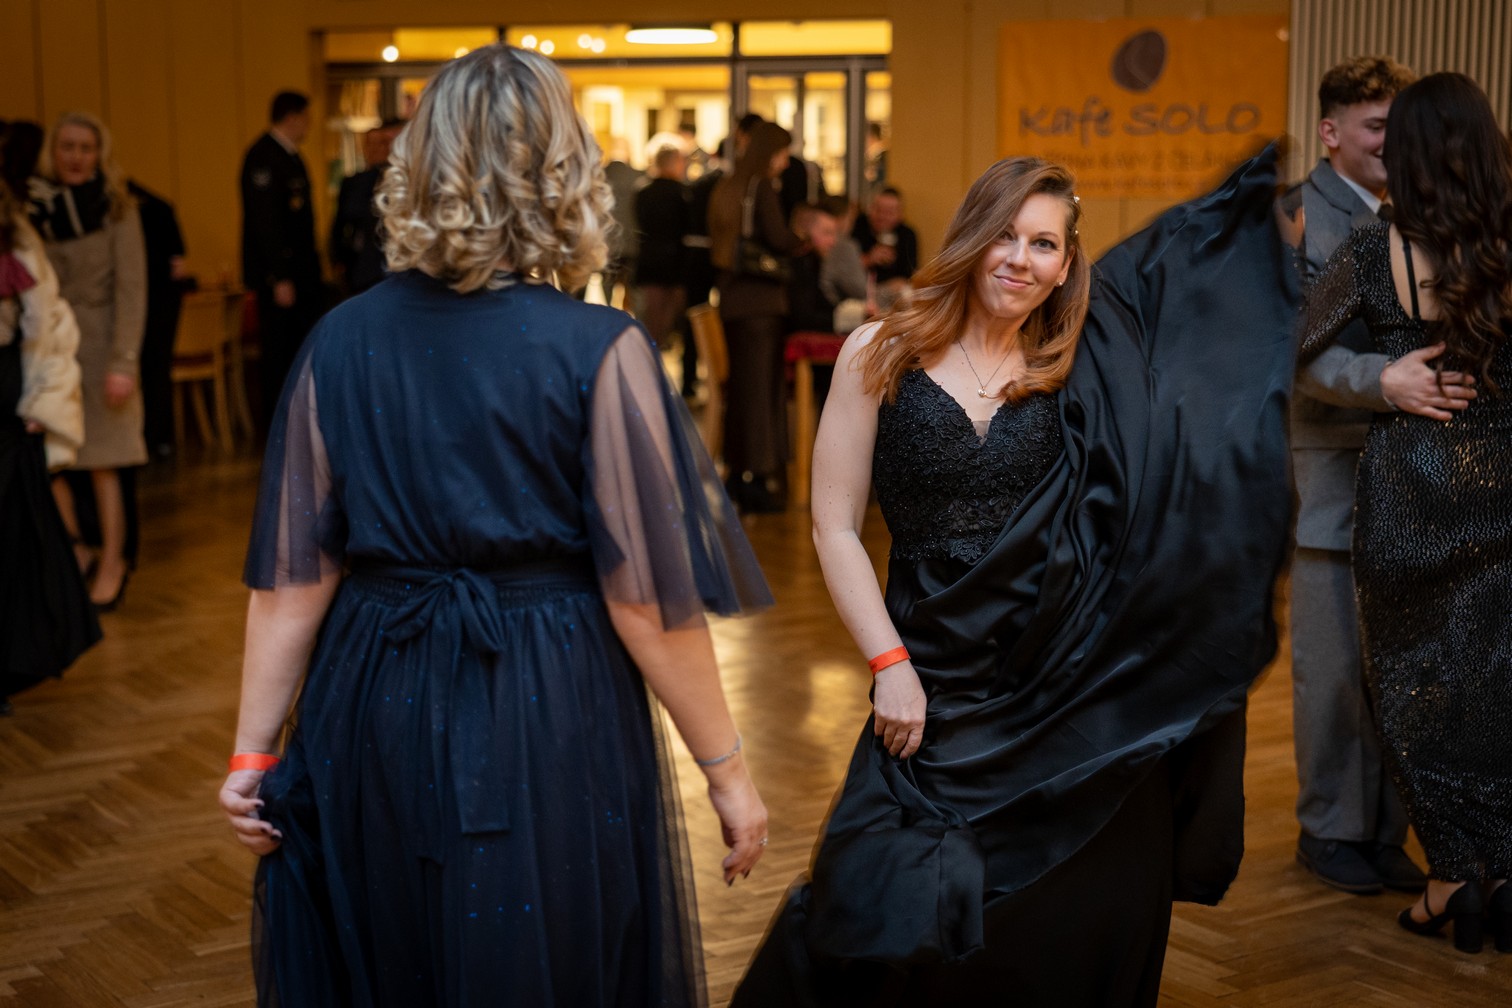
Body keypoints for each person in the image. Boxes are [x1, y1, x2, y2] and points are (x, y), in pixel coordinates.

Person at [217, 44, 772, 1005]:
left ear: (418, 167)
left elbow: (294, 579)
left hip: (373, 688)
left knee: (395, 952)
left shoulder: (339, 338)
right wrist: (726, 771)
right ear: (562, 172)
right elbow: (646, 604)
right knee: (545, 953)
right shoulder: (601, 347)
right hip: (545, 690)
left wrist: (252, 753)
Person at [733, 149, 1300, 1004]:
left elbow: (1165, 480)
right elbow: (833, 526)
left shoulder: (1083, 373)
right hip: (933, 670)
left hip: (1064, 671)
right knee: (885, 895)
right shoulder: (879, 352)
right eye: (1005, 235)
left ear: (1066, 265)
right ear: (972, 238)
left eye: (1044, 244)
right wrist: (890, 666)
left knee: (1074, 905)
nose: (1020, 259)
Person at [1297, 71, 1512, 955]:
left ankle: (1453, 875)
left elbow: (1292, 347)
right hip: (1501, 484)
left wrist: (1385, 376)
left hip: (1408, 489)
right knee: (1494, 683)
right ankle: (1496, 873)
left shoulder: (1368, 249)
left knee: (1414, 689)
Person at [1276, 56, 1454, 897]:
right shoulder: (1293, 217)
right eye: (1377, 125)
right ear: (1331, 130)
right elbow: (1286, 350)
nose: (1391, 141)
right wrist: (1383, 381)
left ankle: (1383, 832)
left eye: (1399, 125)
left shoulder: (1424, 212)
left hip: (1421, 480)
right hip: (1334, 475)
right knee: (1335, 672)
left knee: (1398, 669)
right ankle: (1329, 832)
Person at [29, 111, 147, 612]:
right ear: (53, 153)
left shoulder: (118, 208)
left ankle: (114, 562)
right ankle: (77, 550)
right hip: (49, 350)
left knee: (104, 463)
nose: (76, 157)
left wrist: (124, 362)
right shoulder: (35, 209)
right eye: (67, 147)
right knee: (52, 459)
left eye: (86, 148)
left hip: (103, 350)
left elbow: (132, 290)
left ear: (100, 155)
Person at [0, 158, 100, 714]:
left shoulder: (19, 239)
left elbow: (51, 323)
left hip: (11, 406)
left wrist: (44, 398)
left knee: (14, 541)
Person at [708, 122, 804, 512]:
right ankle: (758, 479)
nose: (785, 162)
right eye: (782, 154)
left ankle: (738, 472)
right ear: (769, 153)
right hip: (760, 305)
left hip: (733, 301)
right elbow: (779, 238)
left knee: (743, 392)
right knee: (761, 394)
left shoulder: (727, 186)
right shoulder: (761, 187)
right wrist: (805, 240)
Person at [240, 91, 322, 425]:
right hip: (282, 276)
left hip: (301, 273)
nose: (308, 126)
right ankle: (278, 422)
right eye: (306, 118)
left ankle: (298, 417)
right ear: (291, 117)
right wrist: (279, 276)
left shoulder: (290, 156)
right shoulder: (263, 157)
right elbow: (266, 223)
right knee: (278, 350)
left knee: (297, 346)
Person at [329, 119, 403, 298]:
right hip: (361, 270)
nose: (377, 149)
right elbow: (340, 224)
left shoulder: (401, 181)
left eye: (383, 143)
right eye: (371, 144)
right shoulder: (353, 183)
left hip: (392, 268)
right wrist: (337, 259)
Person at [632, 144, 691, 348]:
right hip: (675, 261)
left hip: (649, 259)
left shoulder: (643, 191)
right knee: (666, 317)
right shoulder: (682, 193)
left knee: (652, 316)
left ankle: (650, 355)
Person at [852, 185, 919, 308]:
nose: (882, 216)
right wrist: (869, 259)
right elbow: (842, 270)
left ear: (900, 215)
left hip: (893, 295)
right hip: (858, 293)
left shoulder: (907, 235)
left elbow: (910, 275)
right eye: (878, 210)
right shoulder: (857, 227)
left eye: (889, 212)